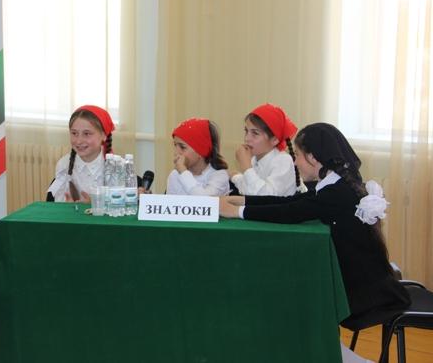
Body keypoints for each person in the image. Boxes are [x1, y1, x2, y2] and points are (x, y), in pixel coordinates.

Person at [220, 123, 410, 346]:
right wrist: (243, 201)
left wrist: (237, 212)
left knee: (296, 296)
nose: (295, 162)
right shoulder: (335, 184)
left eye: (298, 155)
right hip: (362, 283)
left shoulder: (336, 193)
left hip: (362, 294)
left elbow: (291, 212)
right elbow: (293, 201)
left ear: (313, 157)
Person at [47, 104, 114, 202]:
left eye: (86, 134)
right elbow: (57, 205)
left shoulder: (116, 168)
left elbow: (122, 206)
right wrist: (67, 207)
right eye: (74, 133)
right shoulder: (64, 165)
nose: (79, 141)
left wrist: (95, 205)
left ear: (104, 135)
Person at [231, 103, 302, 196]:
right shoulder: (254, 159)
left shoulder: (283, 160)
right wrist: (234, 176)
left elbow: (266, 196)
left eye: (255, 133)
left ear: (274, 140)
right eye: (246, 131)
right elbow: (247, 189)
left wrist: (246, 167)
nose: (246, 138)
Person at [166, 118, 230, 196]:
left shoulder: (219, 175)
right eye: (175, 145)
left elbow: (205, 201)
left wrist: (183, 172)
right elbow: (170, 203)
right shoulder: (175, 175)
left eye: (182, 147)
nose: (176, 153)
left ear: (201, 151)